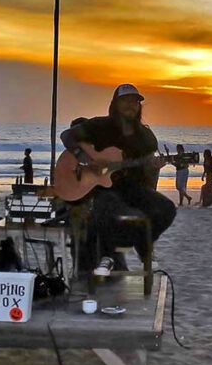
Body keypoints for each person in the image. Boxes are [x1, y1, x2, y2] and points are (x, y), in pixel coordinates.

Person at [59, 83, 176, 277]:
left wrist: (153, 169)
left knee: (166, 209)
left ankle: (140, 243)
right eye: (126, 100)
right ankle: (111, 254)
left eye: (135, 101)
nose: (131, 105)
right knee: (111, 210)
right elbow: (67, 135)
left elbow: (146, 182)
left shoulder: (146, 137)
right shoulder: (99, 125)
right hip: (101, 189)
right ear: (115, 103)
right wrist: (84, 158)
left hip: (130, 188)